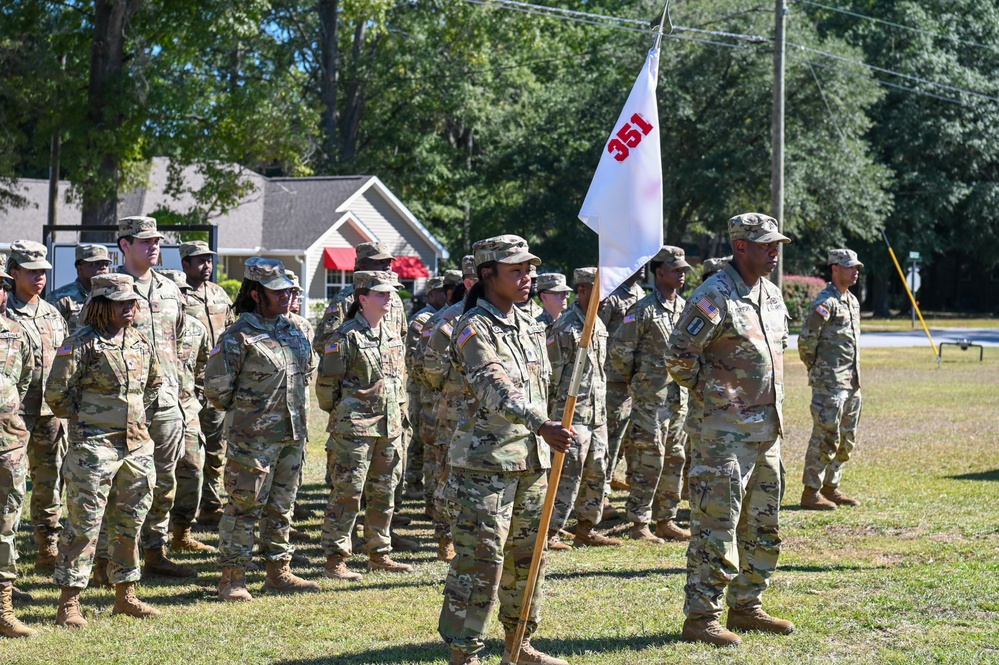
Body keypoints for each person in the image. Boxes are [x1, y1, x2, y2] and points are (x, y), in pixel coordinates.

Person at [438, 235, 573, 665]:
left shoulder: (531, 324)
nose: (527, 276)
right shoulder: (472, 327)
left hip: (530, 458)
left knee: (528, 558)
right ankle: (465, 652)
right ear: (487, 275)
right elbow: (497, 387)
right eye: (515, 270)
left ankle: (520, 645)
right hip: (486, 464)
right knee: (482, 562)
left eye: (530, 269)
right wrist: (543, 424)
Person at [667, 213, 794, 647]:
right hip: (722, 435)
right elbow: (679, 354)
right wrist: (715, 396)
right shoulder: (713, 295)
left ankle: (747, 605)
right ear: (741, 246)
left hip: (766, 432)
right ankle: (701, 617)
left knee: (763, 525)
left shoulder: (773, 296)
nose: (774, 251)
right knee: (715, 525)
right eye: (765, 245)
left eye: (776, 244)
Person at [46, 273, 164, 627]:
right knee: (84, 524)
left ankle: (125, 594)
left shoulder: (139, 341)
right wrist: (88, 421)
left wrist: (137, 422)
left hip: (136, 447)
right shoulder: (81, 342)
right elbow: (56, 394)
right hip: (94, 448)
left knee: (131, 521)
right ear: (101, 305)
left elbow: (154, 383)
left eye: (132, 301)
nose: (130, 307)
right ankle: (69, 602)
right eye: (121, 302)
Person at [204, 257, 318, 601]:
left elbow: (306, 374)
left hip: (292, 434)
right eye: (277, 291)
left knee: (282, 505)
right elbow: (216, 388)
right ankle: (232, 578)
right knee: (244, 506)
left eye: (288, 291)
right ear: (256, 294)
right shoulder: (238, 335)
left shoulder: (294, 329)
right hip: (252, 440)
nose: (286, 296)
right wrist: (252, 413)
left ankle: (278, 572)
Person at [103, 217, 193, 578]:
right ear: (124, 245)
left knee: (165, 480)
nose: (153, 246)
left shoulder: (170, 290)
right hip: (127, 405)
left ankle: (155, 550)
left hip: (168, 401)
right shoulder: (111, 290)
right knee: (121, 483)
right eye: (144, 241)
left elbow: (180, 337)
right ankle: (113, 556)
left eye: (156, 241)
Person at [317, 270, 414, 580]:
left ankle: (379, 553)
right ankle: (336, 559)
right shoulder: (345, 337)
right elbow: (326, 387)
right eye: (382, 294)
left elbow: (400, 380)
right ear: (363, 299)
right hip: (355, 430)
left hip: (390, 427)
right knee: (347, 494)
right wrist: (348, 414)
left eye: (391, 293)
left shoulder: (393, 335)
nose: (390, 298)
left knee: (384, 493)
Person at [610, 246, 692, 544]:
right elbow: (620, 352)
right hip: (650, 399)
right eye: (676, 269)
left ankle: (666, 519)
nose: (682, 274)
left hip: (679, 398)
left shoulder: (684, 308)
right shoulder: (643, 310)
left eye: (684, 269)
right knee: (649, 460)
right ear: (659, 272)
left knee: (675, 457)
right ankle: (638, 522)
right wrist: (638, 380)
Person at [545, 267, 621, 550]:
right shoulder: (566, 327)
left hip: (596, 415)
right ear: (583, 290)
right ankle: (551, 530)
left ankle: (586, 528)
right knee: (567, 474)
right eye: (599, 288)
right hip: (572, 414)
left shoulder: (598, 324)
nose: (605, 295)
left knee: (596, 473)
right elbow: (550, 374)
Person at [5, 240, 68, 570]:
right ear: (13, 273)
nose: (40, 277)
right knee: (10, 488)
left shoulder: (53, 314)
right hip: (14, 417)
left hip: (51, 414)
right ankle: (7, 557)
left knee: (50, 483)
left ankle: (47, 548)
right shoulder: (5, 314)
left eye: (43, 271)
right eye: (32, 272)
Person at [798, 249, 864, 510]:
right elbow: (806, 342)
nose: (855, 271)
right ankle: (810, 492)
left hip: (852, 382)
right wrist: (819, 371)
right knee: (826, 436)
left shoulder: (853, 301)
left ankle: (831, 487)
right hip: (830, 383)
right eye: (849, 267)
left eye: (856, 266)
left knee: (847, 438)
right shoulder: (825, 303)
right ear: (834, 268)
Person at [422, 263, 476, 561]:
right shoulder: (448, 319)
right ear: (469, 282)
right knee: (449, 475)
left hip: (491, 414)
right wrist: (455, 387)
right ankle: (446, 538)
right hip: (456, 410)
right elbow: (431, 367)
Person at [179, 240, 235, 527]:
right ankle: (180, 513)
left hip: (216, 383)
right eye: (199, 261)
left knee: (216, 448)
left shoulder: (219, 294)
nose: (207, 266)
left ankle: (211, 506)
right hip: (187, 385)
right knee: (185, 453)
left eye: (209, 260)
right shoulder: (176, 295)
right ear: (185, 264)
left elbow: (232, 330)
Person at [159, 270, 215, 554]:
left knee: (193, 470)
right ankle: (151, 543)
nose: (182, 297)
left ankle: (182, 533)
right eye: (175, 292)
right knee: (156, 476)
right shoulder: (151, 326)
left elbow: (205, 366)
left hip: (188, 410)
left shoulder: (197, 328)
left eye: (184, 291)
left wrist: (198, 398)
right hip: (156, 411)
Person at [0, 254, 36, 638]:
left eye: (1, 285)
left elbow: (21, 384)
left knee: (6, 524)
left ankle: (2, 607)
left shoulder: (14, 333)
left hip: (8, 446)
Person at [598, 267, 646, 501]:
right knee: (611, 434)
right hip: (614, 378)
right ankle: (602, 488)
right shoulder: (612, 298)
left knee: (628, 435)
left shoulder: (641, 294)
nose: (643, 266)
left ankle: (614, 476)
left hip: (636, 378)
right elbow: (599, 333)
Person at [403, 275, 447, 500]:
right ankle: (412, 480)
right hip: (420, 387)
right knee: (421, 435)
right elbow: (413, 357)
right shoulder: (422, 320)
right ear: (430, 294)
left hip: (434, 389)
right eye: (441, 290)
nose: (446, 294)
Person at [46, 244, 112, 334]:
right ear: (80, 267)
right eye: (96, 263)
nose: (103, 267)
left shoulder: (112, 296)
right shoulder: (59, 298)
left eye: (105, 264)